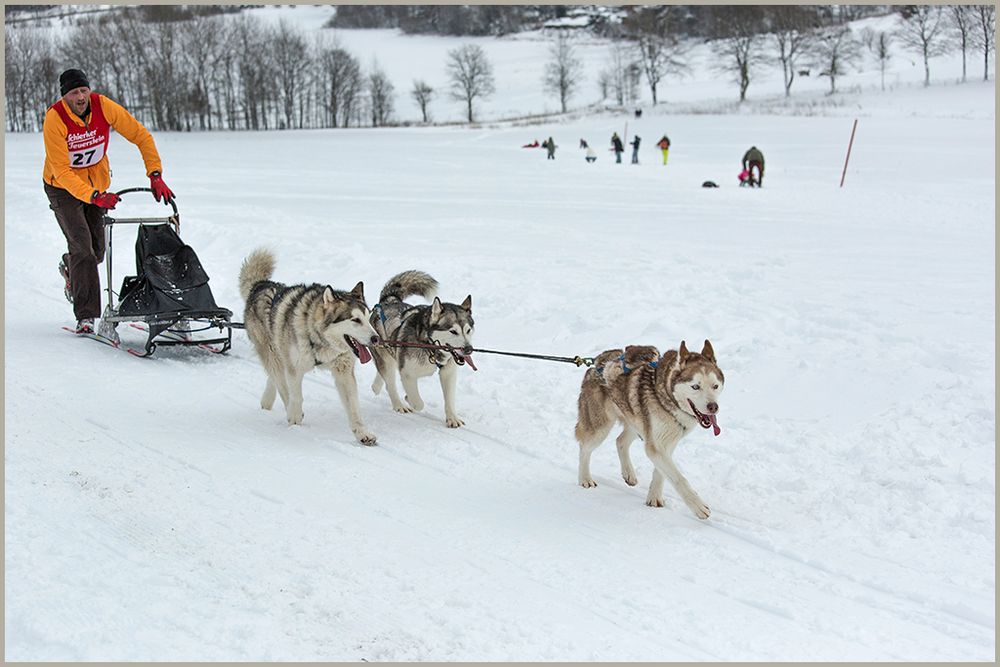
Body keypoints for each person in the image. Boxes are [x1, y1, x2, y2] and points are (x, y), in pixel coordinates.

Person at [44, 68, 175, 334]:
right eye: (73, 93)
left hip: (96, 185)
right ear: (65, 97)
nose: (80, 97)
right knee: (83, 248)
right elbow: (62, 171)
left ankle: (72, 269)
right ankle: (86, 315)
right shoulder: (55, 118)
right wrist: (94, 196)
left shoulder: (103, 106)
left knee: (97, 253)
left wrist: (155, 174)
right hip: (62, 188)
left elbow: (141, 136)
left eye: (83, 90)